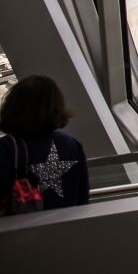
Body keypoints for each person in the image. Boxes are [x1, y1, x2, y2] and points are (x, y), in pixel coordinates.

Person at [1, 75, 88, 211]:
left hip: (22, 229)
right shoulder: (71, 144)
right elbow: (83, 196)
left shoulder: (7, 148)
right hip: (69, 227)